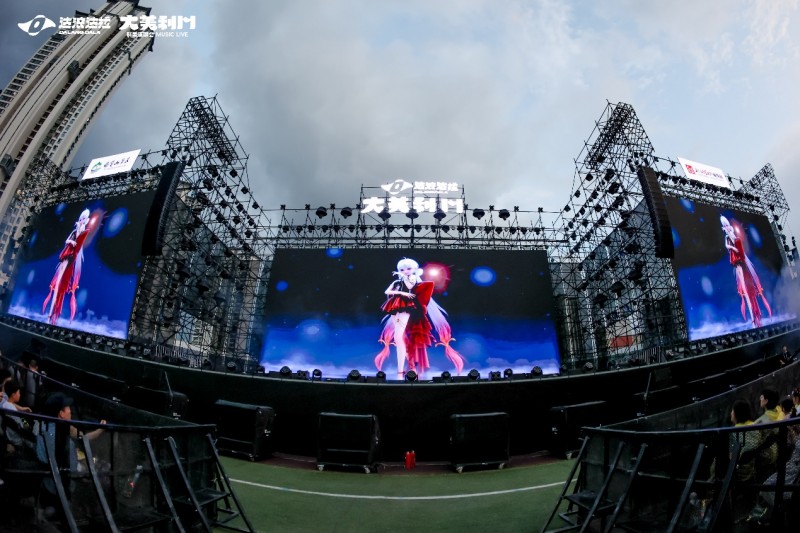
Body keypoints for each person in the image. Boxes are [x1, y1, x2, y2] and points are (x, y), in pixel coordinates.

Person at [374, 257, 465, 378]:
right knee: (398, 337)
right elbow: (388, 291)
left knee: (399, 337)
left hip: (407, 307)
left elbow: (410, 286)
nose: (405, 271)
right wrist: (400, 291)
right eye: (402, 269)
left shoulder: (412, 278)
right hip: (397, 306)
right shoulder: (398, 281)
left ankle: (406, 366)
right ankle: (402, 368)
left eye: (408, 268)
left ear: (415, 269)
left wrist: (403, 282)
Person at [42, 208, 100, 325]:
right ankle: (50, 315)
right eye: (81, 218)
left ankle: (54, 315)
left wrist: (78, 233)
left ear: (86, 220)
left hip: (72, 258)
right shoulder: (75, 231)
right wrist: (71, 241)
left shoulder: (84, 231)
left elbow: (78, 244)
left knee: (62, 287)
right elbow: (67, 240)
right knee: (57, 285)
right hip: (66, 256)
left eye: (84, 219)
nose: (81, 220)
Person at [720, 216, 772, 328]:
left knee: (750, 288)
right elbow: (727, 245)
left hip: (741, 259)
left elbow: (737, 243)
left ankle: (756, 316)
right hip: (737, 261)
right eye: (725, 226)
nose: (727, 227)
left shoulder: (733, 235)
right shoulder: (728, 236)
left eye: (727, 225)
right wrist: (732, 247)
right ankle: (753, 318)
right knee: (745, 290)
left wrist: (732, 238)